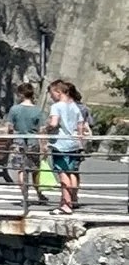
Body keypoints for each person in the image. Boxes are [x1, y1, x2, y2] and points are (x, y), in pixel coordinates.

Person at [48, 79, 90, 212]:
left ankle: (66, 204)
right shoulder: (75, 107)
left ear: (58, 92)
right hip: (74, 144)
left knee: (62, 173)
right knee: (71, 172)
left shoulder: (56, 106)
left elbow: (54, 123)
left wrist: (47, 127)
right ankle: (71, 200)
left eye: (51, 94)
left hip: (60, 144)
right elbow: (81, 126)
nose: (51, 97)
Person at [6, 79, 47, 196]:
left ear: (20, 94)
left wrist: (9, 139)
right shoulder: (37, 110)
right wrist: (44, 146)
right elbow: (42, 130)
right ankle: (39, 193)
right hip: (33, 143)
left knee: (21, 170)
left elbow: (10, 127)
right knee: (35, 170)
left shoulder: (14, 109)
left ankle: (25, 195)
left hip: (18, 142)